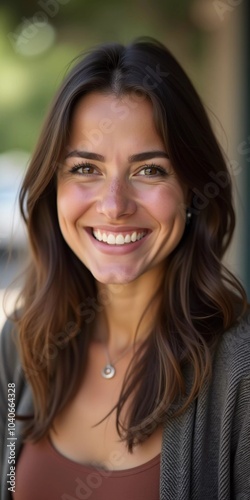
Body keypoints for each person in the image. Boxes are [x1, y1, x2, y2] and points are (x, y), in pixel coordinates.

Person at [0, 37, 250, 500]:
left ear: (194, 190)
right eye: (84, 169)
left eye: (150, 170)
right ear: (52, 188)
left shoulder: (241, 372)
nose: (114, 206)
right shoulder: (21, 344)